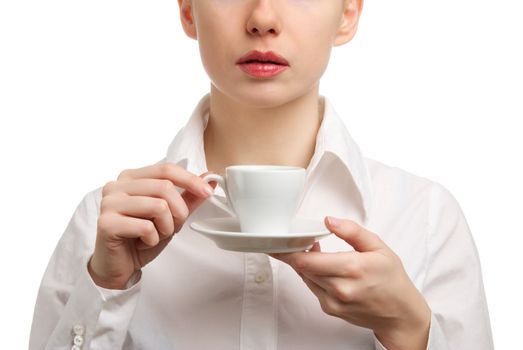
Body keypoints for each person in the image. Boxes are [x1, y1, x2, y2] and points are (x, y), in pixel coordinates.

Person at [29, 0, 494, 349]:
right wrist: (107, 289)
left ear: (348, 13)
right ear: (188, 12)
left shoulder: (426, 216)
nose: (263, 18)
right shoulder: (108, 224)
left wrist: (409, 329)